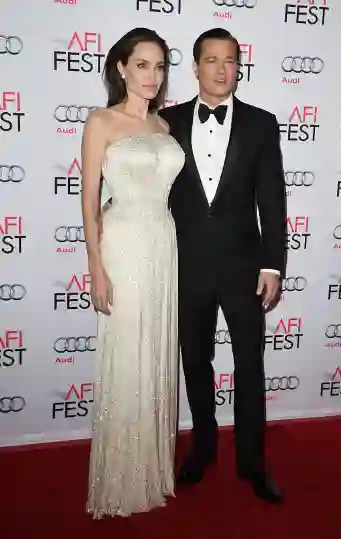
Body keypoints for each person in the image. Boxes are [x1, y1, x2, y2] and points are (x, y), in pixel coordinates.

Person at [159, 28, 286, 504]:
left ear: (239, 66)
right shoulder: (163, 122)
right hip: (186, 265)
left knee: (250, 364)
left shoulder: (262, 123)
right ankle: (203, 449)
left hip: (244, 267)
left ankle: (252, 462)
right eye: (210, 60)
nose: (220, 68)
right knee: (195, 361)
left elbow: (272, 199)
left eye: (229, 60)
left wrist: (273, 264)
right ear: (194, 67)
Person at [81, 27, 185, 518]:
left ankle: (152, 467)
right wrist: (96, 270)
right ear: (121, 68)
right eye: (142, 64)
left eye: (160, 66)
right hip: (122, 244)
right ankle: (122, 476)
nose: (152, 75)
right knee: (128, 354)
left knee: (157, 353)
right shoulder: (101, 121)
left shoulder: (165, 129)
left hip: (164, 245)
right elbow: (87, 204)